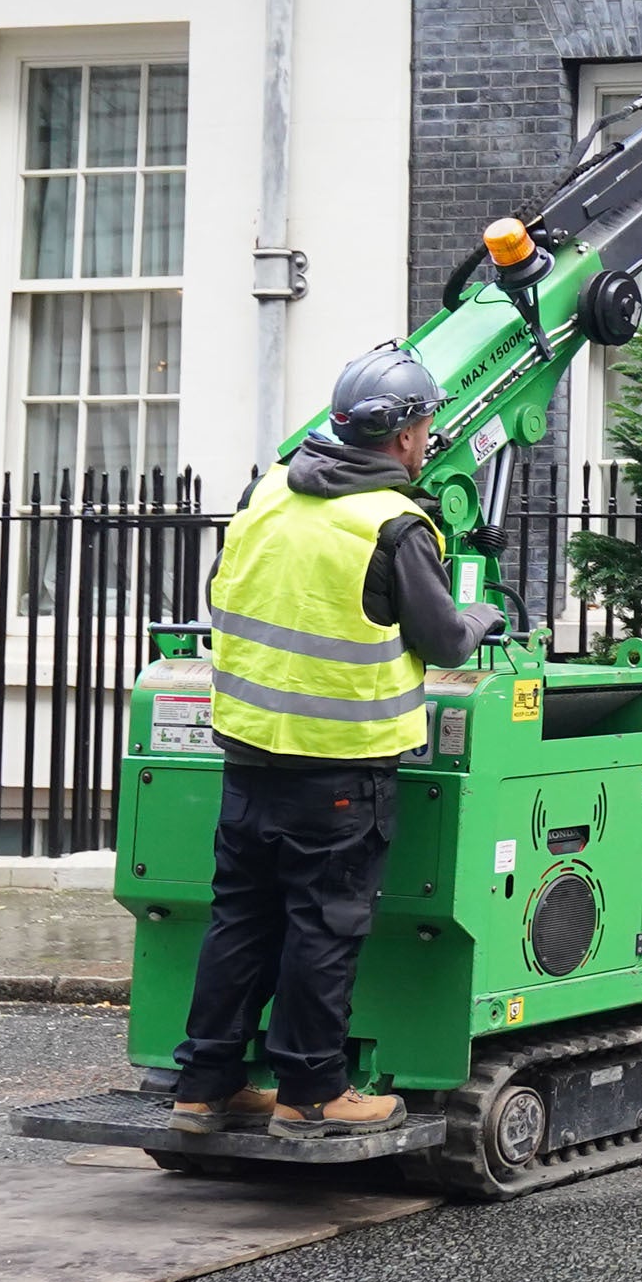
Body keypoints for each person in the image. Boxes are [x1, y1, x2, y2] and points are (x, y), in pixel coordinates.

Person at [168, 346, 502, 1139]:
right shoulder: (394, 524)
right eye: (425, 425)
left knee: (241, 917)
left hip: (250, 753)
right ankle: (313, 1092)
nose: (429, 439)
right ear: (406, 435)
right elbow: (446, 640)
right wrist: (484, 617)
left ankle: (204, 1084)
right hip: (341, 768)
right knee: (324, 923)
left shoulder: (266, 493)